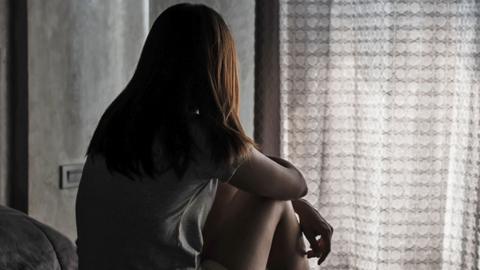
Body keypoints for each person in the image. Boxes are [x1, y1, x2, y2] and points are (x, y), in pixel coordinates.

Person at [75, 3, 333, 270]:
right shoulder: (200, 137)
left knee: (245, 189)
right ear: (218, 66)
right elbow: (296, 184)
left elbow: (236, 184)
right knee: (274, 200)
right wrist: (293, 200)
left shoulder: (118, 124)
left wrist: (295, 203)